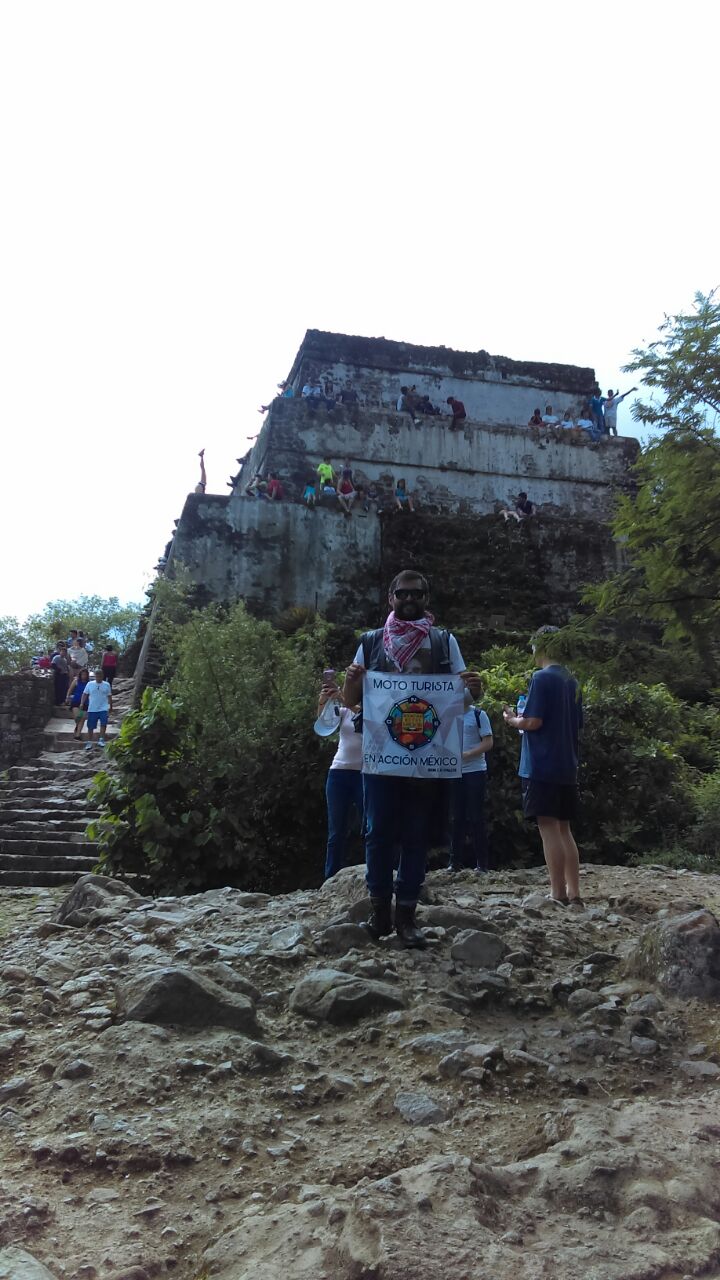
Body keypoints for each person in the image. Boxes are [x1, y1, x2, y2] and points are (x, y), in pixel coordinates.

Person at [342, 569, 482, 948]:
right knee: (378, 834)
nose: (408, 600)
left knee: (417, 835)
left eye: (416, 594)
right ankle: (380, 913)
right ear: (390, 598)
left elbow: (460, 700)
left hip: (426, 756)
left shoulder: (444, 642)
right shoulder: (371, 643)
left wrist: (473, 690)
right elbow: (350, 700)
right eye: (402, 594)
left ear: (426, 598)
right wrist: (352, 680)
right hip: (381, 757)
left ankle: (406, 914)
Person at [503, 625, 584, 908]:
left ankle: (557, 892)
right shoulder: (572, 680)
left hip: (541, 765)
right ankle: (574, 892)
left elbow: (533, 722)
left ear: (539, 647)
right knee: (565, 829)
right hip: (567, 765)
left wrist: (513, 720)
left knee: (548, 828)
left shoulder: (542, 678)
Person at [318, 675, 364, 879]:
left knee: (370, 826)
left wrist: (346, 699)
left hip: (365, 773)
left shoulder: (375, 708)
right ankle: (330, 878)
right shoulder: (344, 710)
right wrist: (324, 701)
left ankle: (375, 872)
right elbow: (323, 726)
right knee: (336, 830)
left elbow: (370, 718)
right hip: (339, 771)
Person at [448, 691, 493, 873]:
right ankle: (454, 862)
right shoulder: (449, 715)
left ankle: (482, 863)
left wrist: (467, 754)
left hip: (475, 771)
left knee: (476, 817)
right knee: (456, 818)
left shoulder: (479, 714)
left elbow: (488, 742)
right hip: (454, 773)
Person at [82, 669, 113, 750]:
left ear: (102, 676)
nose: (98, 677)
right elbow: (85, 694)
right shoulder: (90, 684)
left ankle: (101, 740)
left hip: (103, 707)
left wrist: (111, 706)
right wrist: (82, 703)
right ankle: (89, 741)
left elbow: (109, 696)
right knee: (90, 726)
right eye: (97, 676)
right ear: (95, 676)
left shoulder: (107, 684)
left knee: (103, 724)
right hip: (92, 708)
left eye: (100, 676)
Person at [67, 667, 91, 738]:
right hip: (76, 701)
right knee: (77, 717)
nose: (84, 676)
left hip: (85, 702)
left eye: (85, 675)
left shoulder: (89, 683)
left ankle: (78, 735)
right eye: (82, 674)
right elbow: (70, 690)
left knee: (83, 718)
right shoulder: (76, 681)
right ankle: (77, 726)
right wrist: (67, 697)